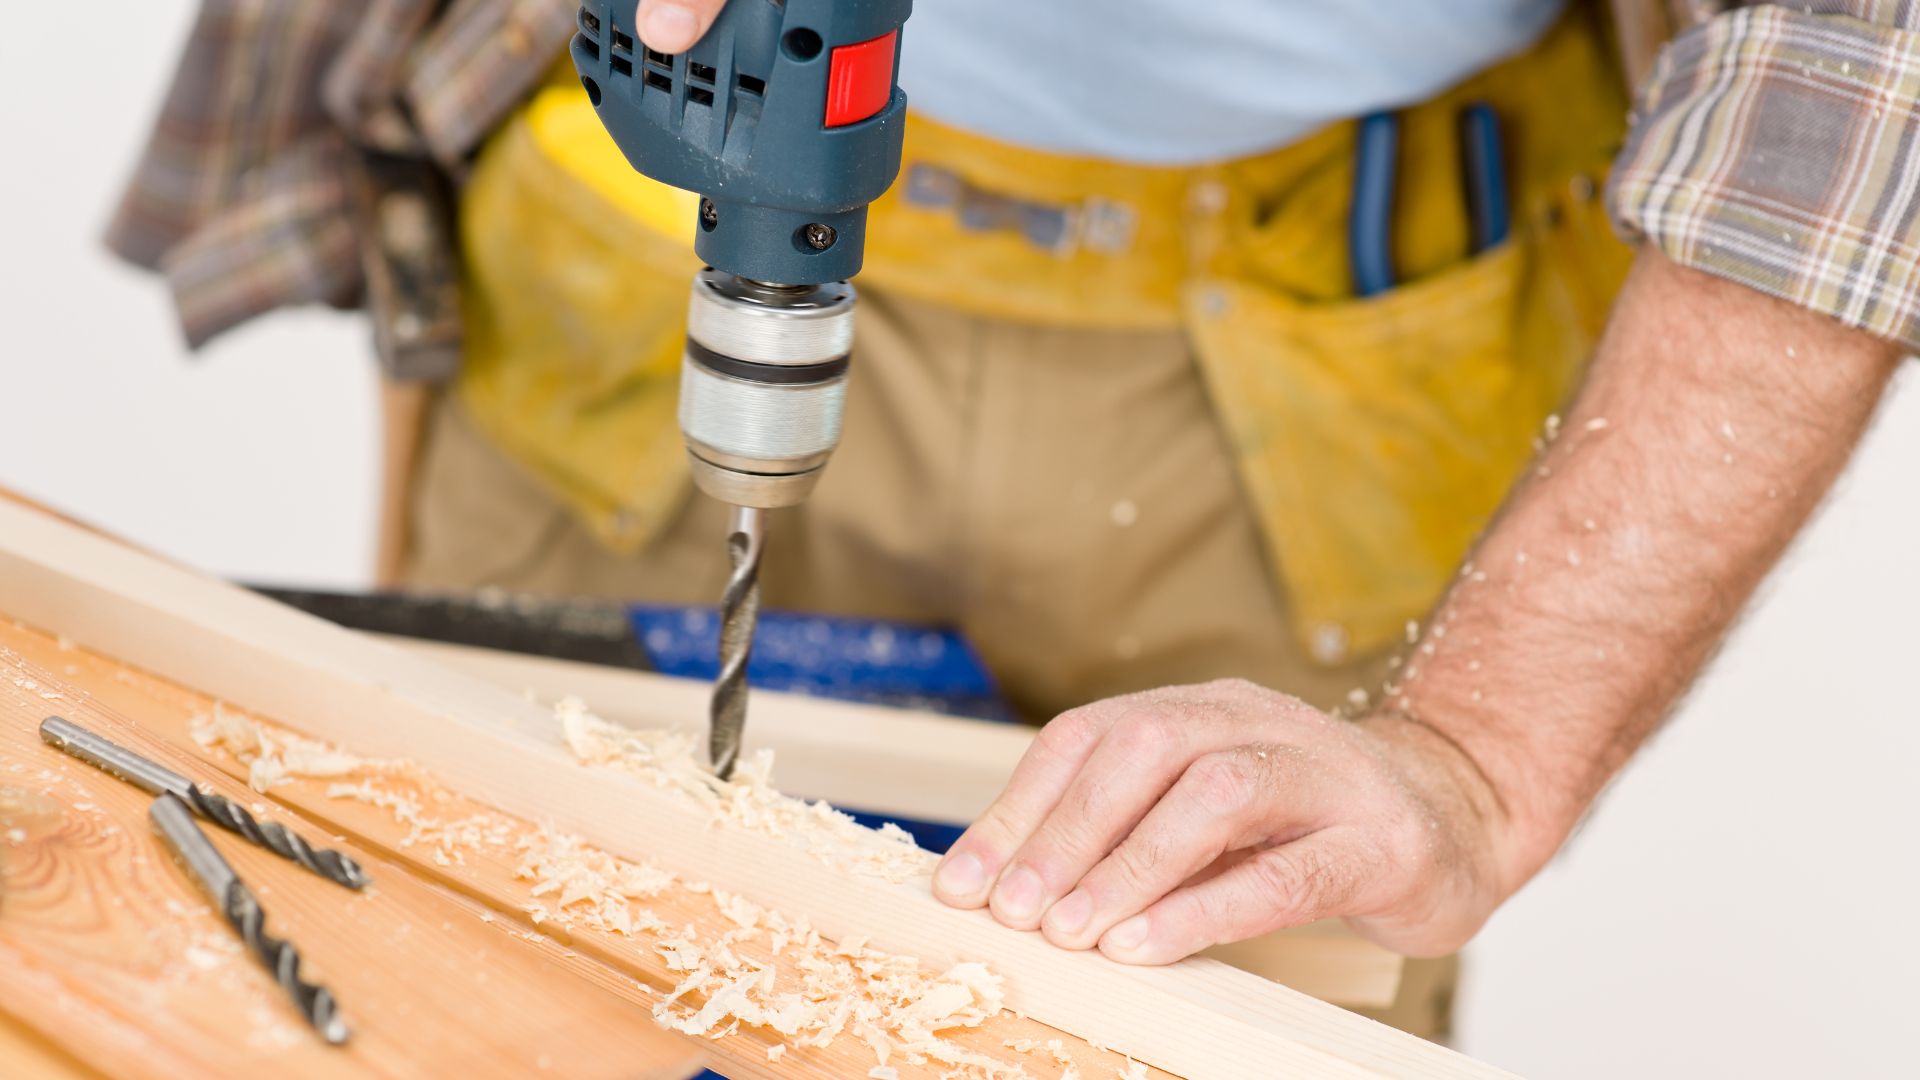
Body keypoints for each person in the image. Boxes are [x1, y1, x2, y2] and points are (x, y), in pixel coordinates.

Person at [110, 0, 1913, 1025]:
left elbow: (1860, 69)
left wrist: (1479, 756)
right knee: (457, 974)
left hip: (1346, 317)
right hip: (611, 234)